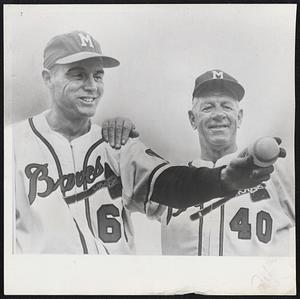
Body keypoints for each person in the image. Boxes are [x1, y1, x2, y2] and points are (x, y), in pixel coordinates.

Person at [12, 31, 277, 255]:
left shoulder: (116, 144)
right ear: (47, 78)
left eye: (98, 76)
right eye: (78, 75)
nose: (92, 86)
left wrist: (223, 180)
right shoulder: (12, 144)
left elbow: (171, 184)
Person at [159, 70, 294, 256]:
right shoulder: (172, 180)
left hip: (253, 284)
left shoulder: (274, 172)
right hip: (188, 285)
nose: (218, 114)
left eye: (226, 106)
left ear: (239, 118)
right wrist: (118, 128)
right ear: (192, 119)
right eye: (208, 107)